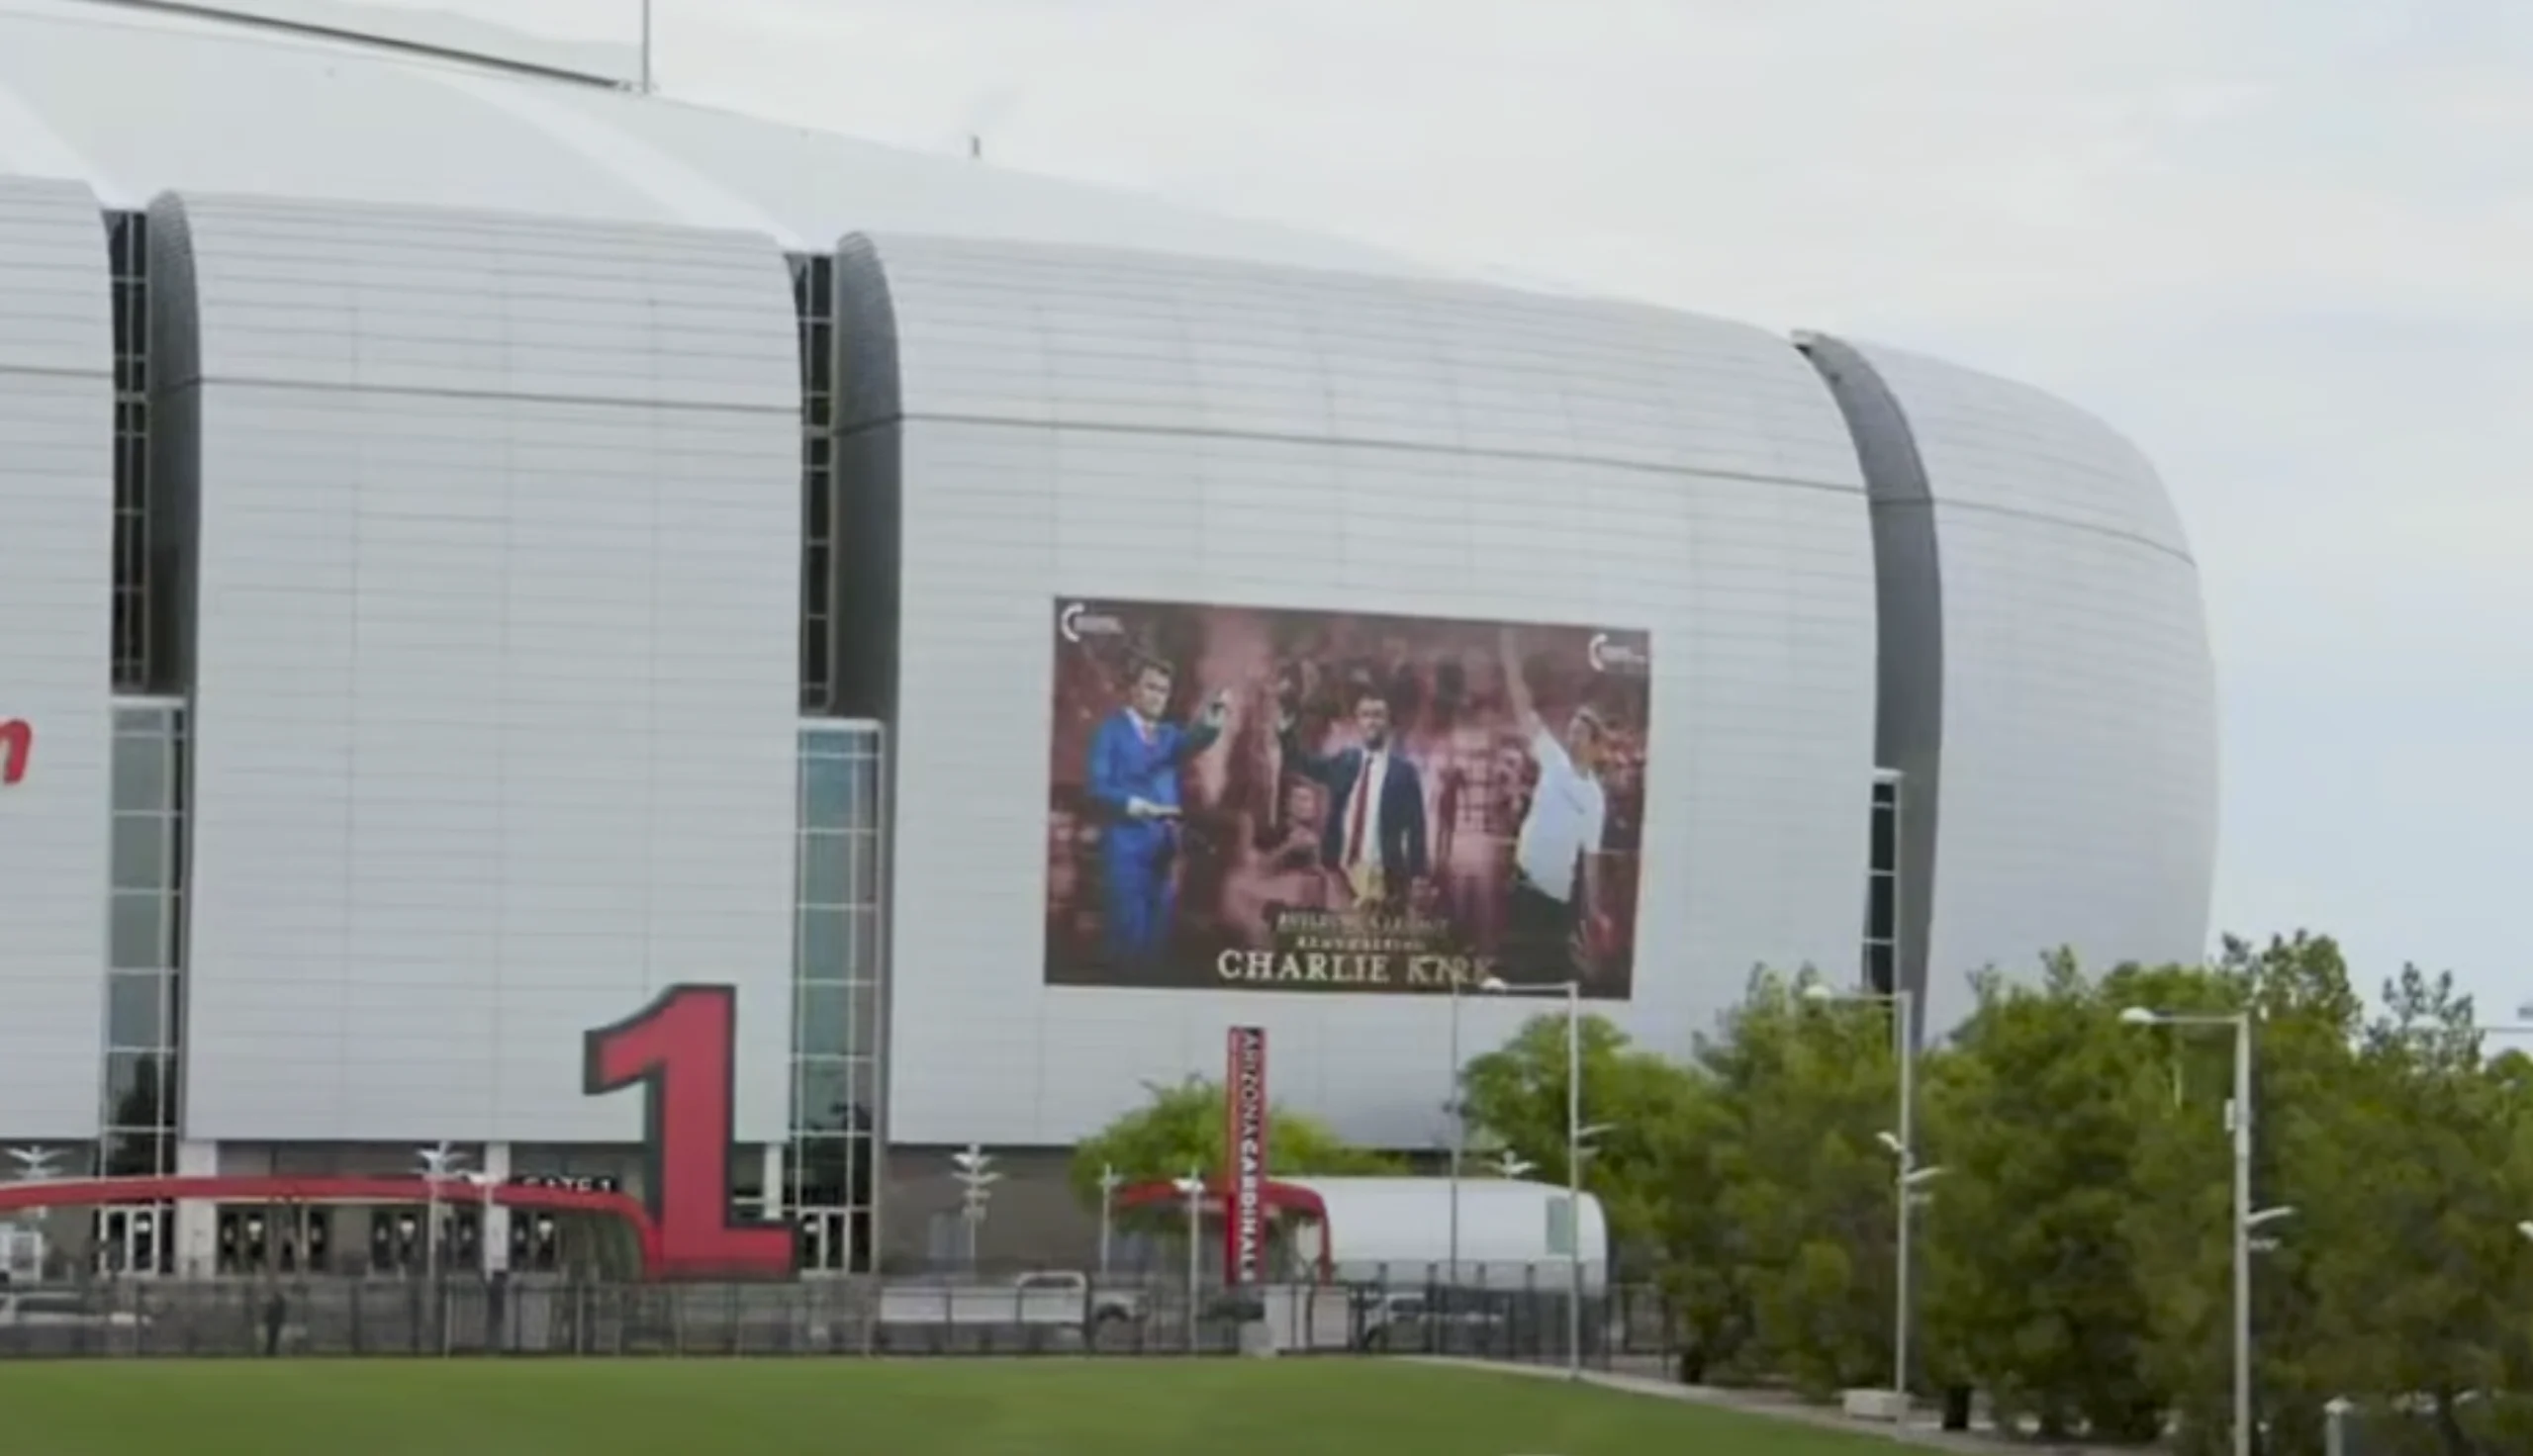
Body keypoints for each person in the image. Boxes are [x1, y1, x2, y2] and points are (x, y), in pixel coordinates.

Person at [1086, 655, 1230, 969]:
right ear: (1133, 690)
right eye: (1151, 687)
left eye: (1163, 690)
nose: (1157, 696)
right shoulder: (1110, 732)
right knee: (1127, 934)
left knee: (1157, 936)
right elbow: (1098, 788)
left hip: (1164, 850)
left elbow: (1196, 740)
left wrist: (1213, 717)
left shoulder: (1169, 735)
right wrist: (1137, 806)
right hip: (1127, 847)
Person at [1498, 628, 1610, 983]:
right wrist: (1509, 658)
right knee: (1512, 970)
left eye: (1581, 733)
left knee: (1548, 977)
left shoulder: (1594, 798)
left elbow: (1590, 861)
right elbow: (1523, 706)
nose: (1572, 736)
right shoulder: (1553, 760)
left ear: (1595, 744)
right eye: (1572, 730)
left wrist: (1594, 912)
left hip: (1555, 899)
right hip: (1522, 885)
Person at [1279, 688, 1428, 909]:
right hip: (1339, 871)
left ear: (1388, 721)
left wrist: (1418, 876)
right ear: (1358, 721)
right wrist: (1285, 731)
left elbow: (1417, 827)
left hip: (1382, 874)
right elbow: (1306, 765)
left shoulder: (1404, 772)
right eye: (1366, 715)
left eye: (1378, 715)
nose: (1371, 722)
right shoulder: (1345, 761)